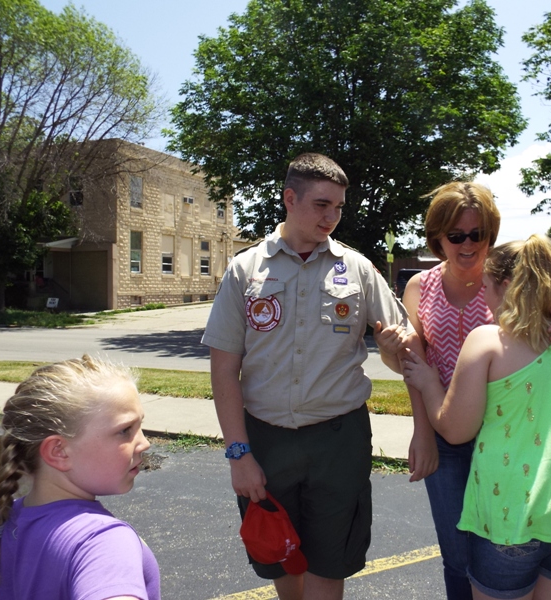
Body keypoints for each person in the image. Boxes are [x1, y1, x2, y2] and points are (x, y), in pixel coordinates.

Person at [202, 152, 414, 600]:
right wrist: (239, 454)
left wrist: (393, 348)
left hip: (338, 439)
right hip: (266, 438)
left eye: (338, 207)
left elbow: (403, 356)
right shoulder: (246, 269)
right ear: (289, 199)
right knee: (280, 548)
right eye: (321, 204)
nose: (331, 217)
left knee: (330, 557)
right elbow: (223, 369)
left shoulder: (357, 269)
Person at [400, 181, 551, 599]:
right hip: (449, 434)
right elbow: (414, 367)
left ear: (491, 234)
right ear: (437, 237)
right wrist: (422, 432)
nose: (468, 244)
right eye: (456, 235)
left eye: (478, 234)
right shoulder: (420, 288)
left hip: (509, 434)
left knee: (502, 549)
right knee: (458, 556)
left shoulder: (511, 279)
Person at [0, 355, 159, 600]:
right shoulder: (102, 542)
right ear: (59, 452)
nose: (144, 443)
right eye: (125, 430)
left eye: (140, 426)